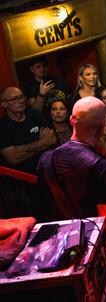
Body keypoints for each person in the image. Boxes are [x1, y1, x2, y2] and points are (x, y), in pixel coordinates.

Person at [37, 97, 106, 300]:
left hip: (62, 259)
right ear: (100, 127)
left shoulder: (46, 159)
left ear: (72, 120)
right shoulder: (103, 168)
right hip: (96, 261)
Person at [0, 87, 56, 217]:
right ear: (4, 104)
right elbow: (13, 159)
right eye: (14, 99)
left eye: (21, 97)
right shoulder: (2, 126)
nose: (20, 101)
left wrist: (20, 149)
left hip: (46, 174)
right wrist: (42, 144)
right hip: (22, 185)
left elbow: (52, 140)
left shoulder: (34, 115)